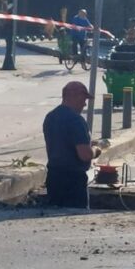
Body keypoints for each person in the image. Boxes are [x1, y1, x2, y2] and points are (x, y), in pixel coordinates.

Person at [43, 81, 102, 209]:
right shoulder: (76, 120)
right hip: (73, 180)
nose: (84, 104)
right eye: (84, 99)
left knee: (53, 213)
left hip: (53, 177)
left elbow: (59, 144)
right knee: (74, 216)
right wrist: (96, 150)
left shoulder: (50, 117)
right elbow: (85, 155)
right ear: (75, 97)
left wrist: (86, 143)